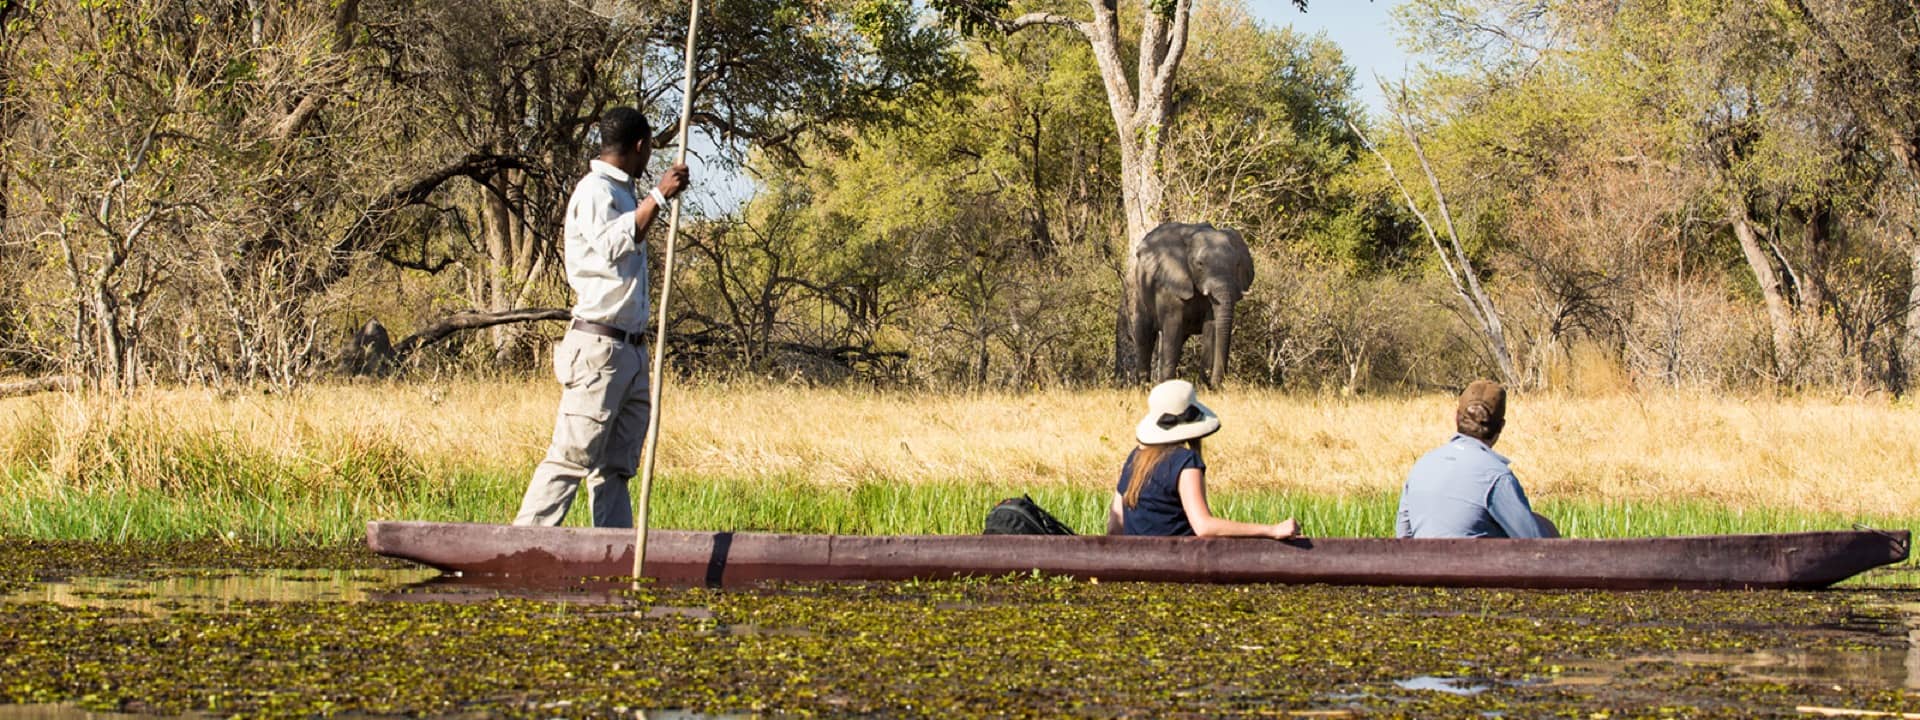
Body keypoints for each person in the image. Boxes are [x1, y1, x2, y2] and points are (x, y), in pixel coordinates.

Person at [513, 107, 691, 528]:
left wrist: (652, 199)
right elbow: (615, 243)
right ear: (640, 146)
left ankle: (613, 550)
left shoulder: (625, 192)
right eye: (649, 149)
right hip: (598, 349)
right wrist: (660, 195)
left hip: (630, 350)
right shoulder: (595, 191)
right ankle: (522, 544)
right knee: (571, 456)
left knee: (615, 468)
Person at [1107, 380, 1301, 539]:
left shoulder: (1135, 458)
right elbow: (1204, 526)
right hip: (1180, 565)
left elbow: (1115, 527)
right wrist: (1271, 530)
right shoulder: (1185, 461)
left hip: (1138, 566)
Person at [1396, 379, 1560, 539]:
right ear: (1501, 426)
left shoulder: (1422, 465)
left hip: (1421, 565)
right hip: (1474, 566)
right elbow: (1536, 544)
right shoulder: (1496, 477)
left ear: (1456, 417)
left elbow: (1403, 537)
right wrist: (1545, 525)